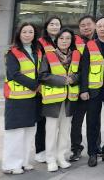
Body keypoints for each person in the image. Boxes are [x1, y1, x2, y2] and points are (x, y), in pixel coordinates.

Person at [2, 22, 41, 175]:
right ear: (19, 34)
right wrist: (35, 85)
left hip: (32, 98)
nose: (27, 35)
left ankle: (23, 162)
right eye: (24, 32)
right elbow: (14, 74)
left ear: (34, 34)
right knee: (15, 132)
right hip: (16, 98)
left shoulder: (36, 51)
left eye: (30, 32)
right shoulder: (12, 52)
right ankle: (10, 165)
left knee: (29, 130)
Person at [39, 28, 80, 172]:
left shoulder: (76, 55)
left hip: (70, 99)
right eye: (61, 38)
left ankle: (61, 156)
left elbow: (80, 73)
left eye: (68, 38)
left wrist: (73, 78)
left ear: (71, 41)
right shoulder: (48, 56)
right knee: (51, 130)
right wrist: (63, 80)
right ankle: (50, 159)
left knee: (65, 130)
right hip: (53, 100)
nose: (64, 41)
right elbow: (42, 75)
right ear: (56, 40)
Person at [79, 16, 104, 168]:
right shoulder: (90, 45)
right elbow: (84, 68)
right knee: (92, 121)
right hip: (94, 90)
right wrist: (84, 89)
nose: (102, 28)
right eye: (99, 26)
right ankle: (92, 153)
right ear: (96, 28)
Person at [34, 16, 61, 163]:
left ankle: (52, 149)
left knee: (55, 122)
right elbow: (37, 64)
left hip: (59, 86)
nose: (55, 26)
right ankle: (40, 150)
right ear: (46, 26)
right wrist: (38, 83)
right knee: (43, 120)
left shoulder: (62, 41)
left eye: (57, 24)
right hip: (44, 85)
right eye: (52, 24)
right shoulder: (40, 43)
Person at [70, 15, 96, 162]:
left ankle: (96, 147)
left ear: (94, 25)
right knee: (77, 121)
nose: (86, 27)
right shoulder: (75, 42)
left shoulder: (100, 41)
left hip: (95, 87)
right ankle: (76, 148)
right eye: (83, 25)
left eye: (88, 24)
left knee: (94, 120)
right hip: (79, 87)